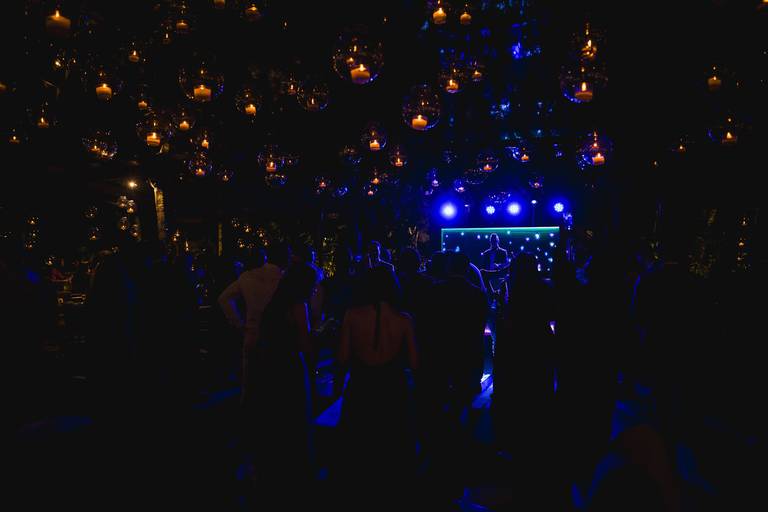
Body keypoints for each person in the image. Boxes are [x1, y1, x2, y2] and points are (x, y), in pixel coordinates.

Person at [335, 267, 418, 503]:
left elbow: (342, 357)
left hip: (362, 385)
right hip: (392, 387)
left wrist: (338, 387)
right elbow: (415, 362)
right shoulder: (404, 319)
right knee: (391, 444)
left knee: (362, 445)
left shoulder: (352, 315)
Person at [245, 263, 319, 499]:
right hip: (290, 368)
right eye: (313, 286)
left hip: (271, 368)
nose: (315, 290)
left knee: (275, 420)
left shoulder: (275, 303)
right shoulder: (299, 305)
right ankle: (295, 476)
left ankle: (272, 472)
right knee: (294, 419)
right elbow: (305, 344)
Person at [218, 244, 290, 400]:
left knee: (249, 383)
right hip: (276, 337)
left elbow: (224, 298)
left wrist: (237, 322)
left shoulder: (247, 277)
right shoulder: (284, 278)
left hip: (252, 332)